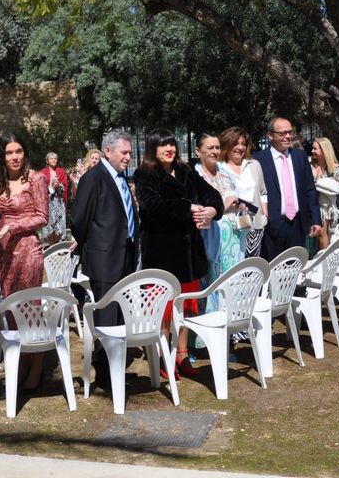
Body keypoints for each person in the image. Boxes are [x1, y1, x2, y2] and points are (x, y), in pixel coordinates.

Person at [134, 128, 223, 378]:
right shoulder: (145, 174)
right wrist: (188, 207)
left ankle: (183, 354)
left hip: (190, 255)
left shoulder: (186, 171)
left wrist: (213, 210)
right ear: (153, 148)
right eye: (163, 145)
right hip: (162, 253)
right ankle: (165, 356)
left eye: (171, 144)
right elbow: (152, 205)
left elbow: (212, 195)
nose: (169, 149)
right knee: (165, 311)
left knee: (186, 308)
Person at [71, 130, 139, 390]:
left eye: (130, 153)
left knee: (121, 317)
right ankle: (106, 375)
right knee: (107, 318)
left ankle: (116, 367)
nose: (128, 157)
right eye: (124, 152)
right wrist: (94, 245)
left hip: (125, 257)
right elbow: (78, 219)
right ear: (107, 151)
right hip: (104, 260)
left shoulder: (121, 178)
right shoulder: (94, 178)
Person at [0, 132, 49, 391]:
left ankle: (37, 366)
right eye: (9, 152)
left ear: (25, 153)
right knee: (11, 309)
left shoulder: (36, 179)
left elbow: (42, 217)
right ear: (2, 156)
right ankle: (22, 358)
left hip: (28, 252)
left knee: (30, 309)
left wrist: (11, 226)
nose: (14, 157)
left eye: (18, 151)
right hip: (4, 254)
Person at [253, 118, 322, 261]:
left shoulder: (300, 157)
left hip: (297, 224)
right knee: (272, 271)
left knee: (295, 270)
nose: (288, 137)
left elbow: (309, 190)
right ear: (270, 135)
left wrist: (316, 219)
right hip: (272, 227)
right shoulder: (258, 160)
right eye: (282, 133)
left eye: (290, 132)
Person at [194, 133, 242, 312]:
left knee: (231, 281)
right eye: (210, 148)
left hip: (233, 239)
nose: (215, 151)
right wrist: (223, 204)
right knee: (211, 282)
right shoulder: (195, 175)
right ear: (198, 151)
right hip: (210, 237)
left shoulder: (225, 173)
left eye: (217, 148)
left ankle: (230, 329)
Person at [217, 127, 268, 257]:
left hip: (254, 225)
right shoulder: (218, 168)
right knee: (233, 267)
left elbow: (262, 192)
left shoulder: (254, 164)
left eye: (243, 144)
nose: (240, 148)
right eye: (235, 143)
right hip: (230, 227)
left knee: (251, 267)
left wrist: (264, 215)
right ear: (226, 145)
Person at [311, 137, 339, 249]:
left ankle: (324, 261)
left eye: (315, 148)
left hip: (325, 206)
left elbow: (337, 188)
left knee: (322, 233)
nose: (312, 151)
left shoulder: (334, 168)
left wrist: (318, 183)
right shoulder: (309, 164)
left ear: (324, 150)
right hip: (309, 204)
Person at [38, 152, 68, 245]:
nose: (54, 160)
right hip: (48, 201)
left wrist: (59, 185)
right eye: (51, 158)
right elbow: (40, 186)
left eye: (55, 158)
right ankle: (51, 244)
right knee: (50, 222)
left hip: (59, 200)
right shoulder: (43, 172)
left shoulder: (61, 171)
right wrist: (50, 186)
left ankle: (59, 243)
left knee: (59, 221)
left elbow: (66, 185)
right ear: (47, 161)